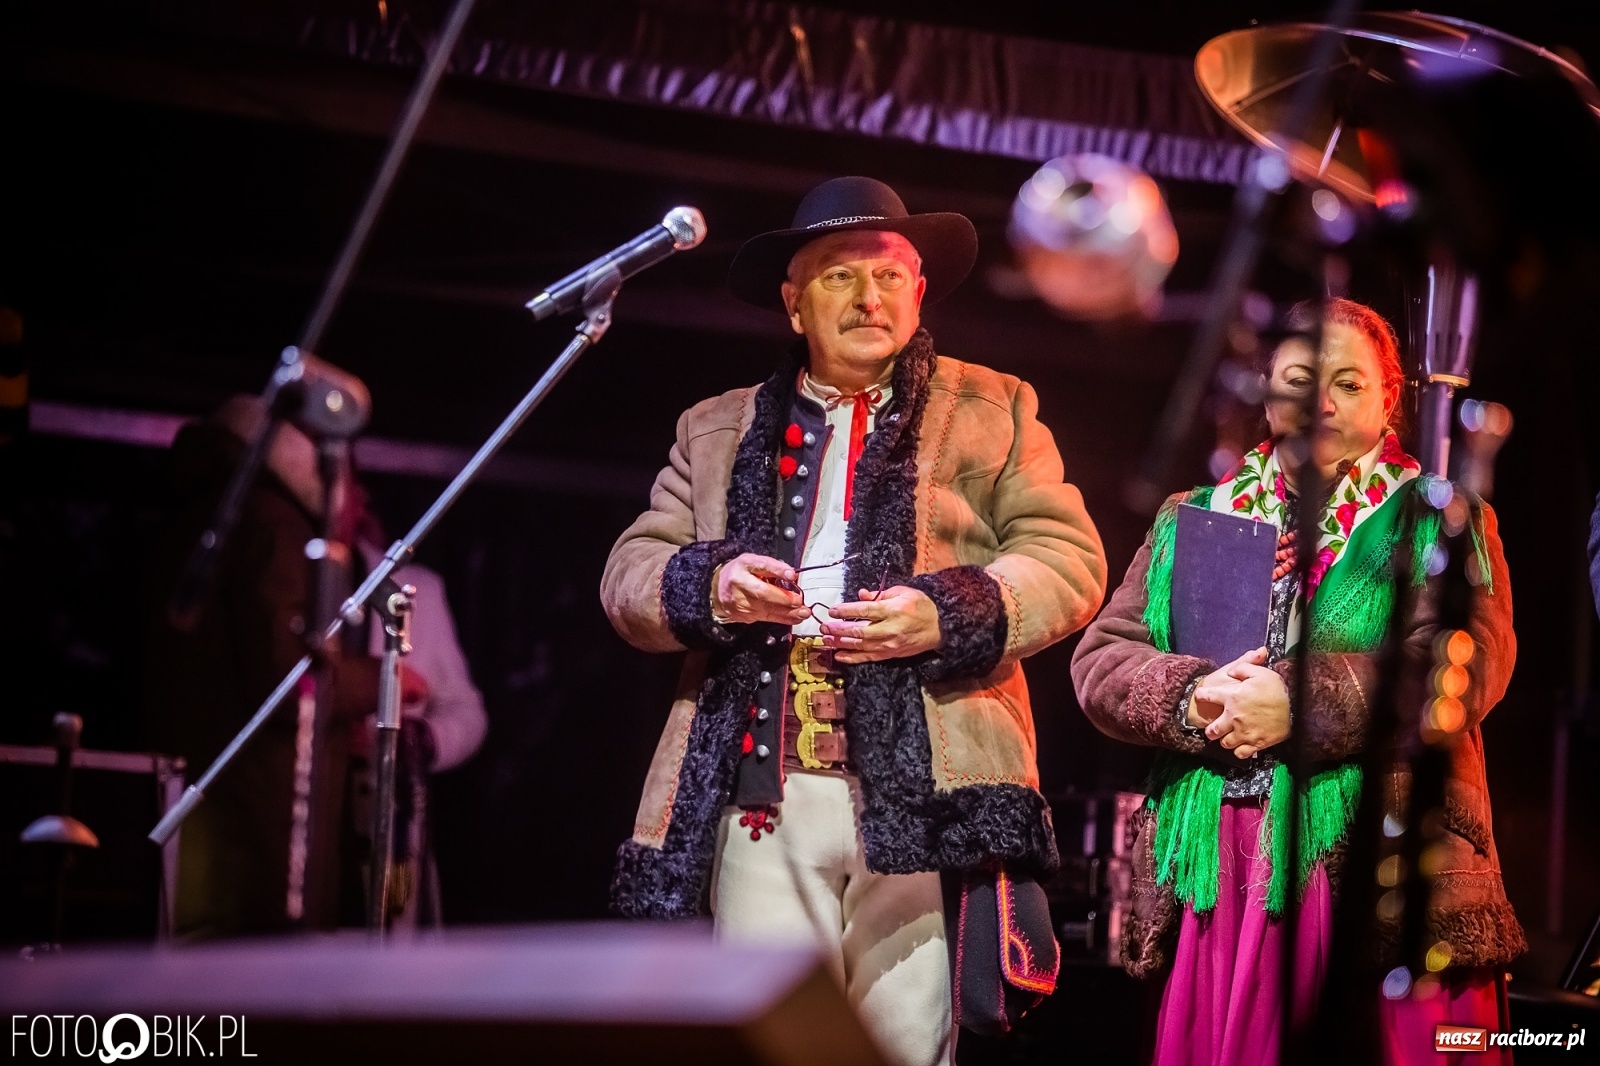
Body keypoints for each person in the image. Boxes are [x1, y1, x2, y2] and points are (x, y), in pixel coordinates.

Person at [601, 176, 1107, 1066]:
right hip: (765, 792)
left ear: (919, 291)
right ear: (795, 305)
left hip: (927, 794)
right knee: (773, 1046)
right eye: (839, 276)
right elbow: (630, 575)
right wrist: (715, 586)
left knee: (905, 1046)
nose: (870, 298)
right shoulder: (715, 428)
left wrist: (944, 612)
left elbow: (1069, 561)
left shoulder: (994, 407)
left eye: (889, 275)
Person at [1071, 298, 1524, 1065]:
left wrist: (1298, 702)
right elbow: (1102, 658)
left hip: (1372, 857)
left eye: (1349, 383)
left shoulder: (1438, 519)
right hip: (1222, 864)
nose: (1321, 401)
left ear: (1389, 400)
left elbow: (1467, 660)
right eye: (1300, 377)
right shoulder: (1196, 516)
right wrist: (1194, 695)